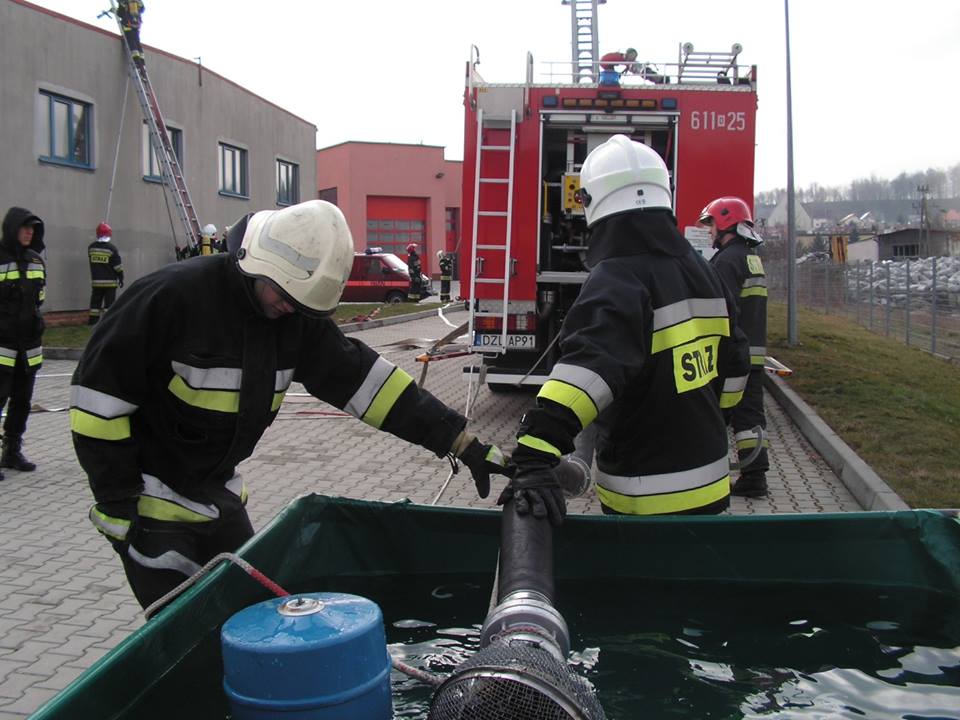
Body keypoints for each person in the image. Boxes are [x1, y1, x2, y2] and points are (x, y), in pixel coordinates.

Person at [70, 200, 509, 609]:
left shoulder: (294, 319)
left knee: (255, 612)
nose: (287, 308)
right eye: (283, 295)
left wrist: (460, 441)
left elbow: (373, 387)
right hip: (149, 504)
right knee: (185, 632)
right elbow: (96, 403)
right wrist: (118, 502)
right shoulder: (171, 298)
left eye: (300, 304)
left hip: (219, 493)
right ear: (257, 263)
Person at [497, 136, 750, 525]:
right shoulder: (705, 270)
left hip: (645, 496)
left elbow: (588, 371)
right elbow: (737, 363)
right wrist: (715, 417)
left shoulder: (617, 278)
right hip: (711, 482)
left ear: (592, 201)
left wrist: (535, 450)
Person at [698, 197, 769, 497]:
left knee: (718, 414)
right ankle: (755, 476)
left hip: (733, 354)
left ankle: (716, 475)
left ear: (726, 222)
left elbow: (721, 310)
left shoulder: (727, 261)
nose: (709, 231)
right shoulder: (750, 257)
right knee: (749, 414)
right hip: (753, 351)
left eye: (712, 224)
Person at [0, 207, 47, 477]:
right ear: (12, 228)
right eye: (25, 227)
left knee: (22, 401)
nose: (30, 232)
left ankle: (12, 451)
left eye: (33, 229)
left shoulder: (36, 260)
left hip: (29, 346)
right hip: (2, 344)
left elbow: (39, 301)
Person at [88, 222, 124, 326]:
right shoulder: (112, 248)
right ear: (109, 234)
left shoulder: (91, 248)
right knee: (109, 304)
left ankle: (93, 322)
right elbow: (118, 266)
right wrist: (121, 277)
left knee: (95, 304)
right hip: (110, 283)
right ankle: (107, 323)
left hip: (96, 282)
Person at [117, 0, 146, 66]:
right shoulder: (138, 1)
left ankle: (136, 60)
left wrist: (117, 11)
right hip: (137, 25)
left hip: (128, 25)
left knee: (131, 42)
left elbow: (120, 13)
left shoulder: (123, 2)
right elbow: (143, 9)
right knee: (137, 43)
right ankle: (142, 61)